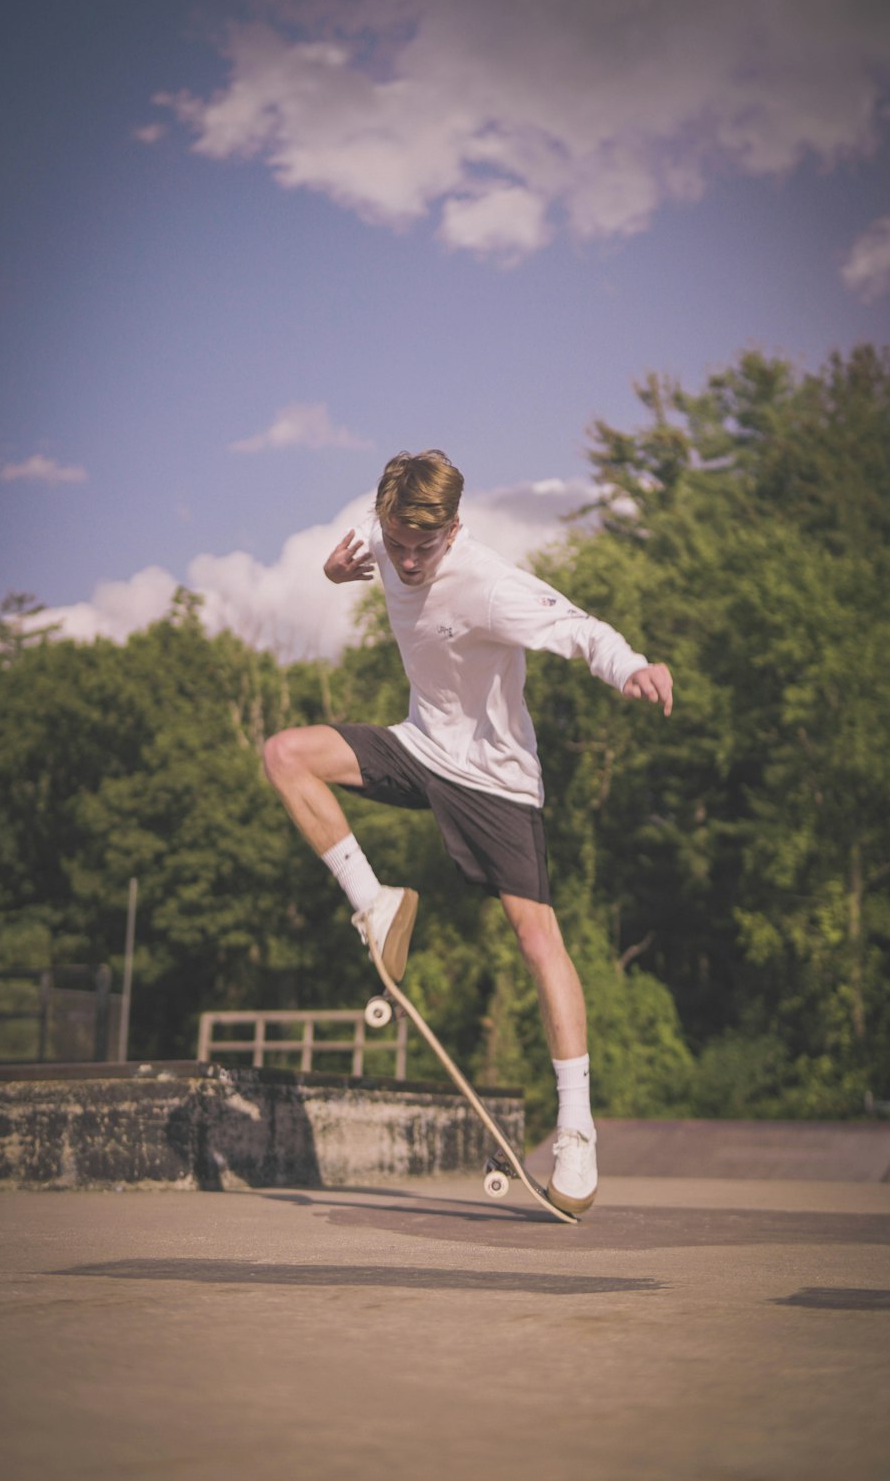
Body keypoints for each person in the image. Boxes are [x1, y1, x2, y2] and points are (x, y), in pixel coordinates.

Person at [263, 450, 673, 1214]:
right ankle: (373, 901)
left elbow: (579, 630)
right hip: (420, 748)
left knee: (536, 938)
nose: (410, 561)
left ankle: (576, 1127)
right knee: (285, 754)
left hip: (495, 781)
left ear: (453, 531)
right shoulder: (381, 535)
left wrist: (632, 668)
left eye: (428, 545)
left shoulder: (487, 580)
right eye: (399, 543)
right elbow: (349, 555)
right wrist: (331, 570)